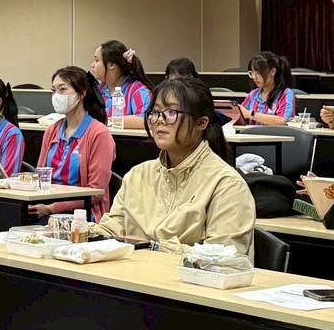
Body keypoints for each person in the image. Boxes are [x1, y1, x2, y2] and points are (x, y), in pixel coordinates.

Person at [93, 77, 254, 254]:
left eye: (171, 112)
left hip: (183, 273)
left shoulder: (226, 184)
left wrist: (155, 248)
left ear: (201, 123)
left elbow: (223, 257)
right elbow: (112, 230)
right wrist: (85, 232)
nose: (159, 120)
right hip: (134, 270)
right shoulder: (138, 175)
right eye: (155, 112)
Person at [33, 66, 115, 220]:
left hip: (82, 215)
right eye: (53, 91)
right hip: (46, 208)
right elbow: (40, 177)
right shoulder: (52, 131)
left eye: (62, 89)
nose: (57, 96)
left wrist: (51, 208)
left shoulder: (99, 134)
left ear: (81, 94)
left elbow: (96, 192)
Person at [91, 40, 151, 128]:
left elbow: (146, 120)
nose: (92, 65)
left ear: (112, 65)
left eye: (96, 60)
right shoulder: (99, 89)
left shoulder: (138, 90)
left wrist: (106, 121)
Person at [238, 52, 296, 126]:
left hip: (276, 133)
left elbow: (282, 120)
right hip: (253, 133)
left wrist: (251, 114)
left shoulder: (286, 93)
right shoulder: (253, 94)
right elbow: (241, 114)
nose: (254, 77)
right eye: (251, 73)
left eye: (258, 73)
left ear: (272, 71)